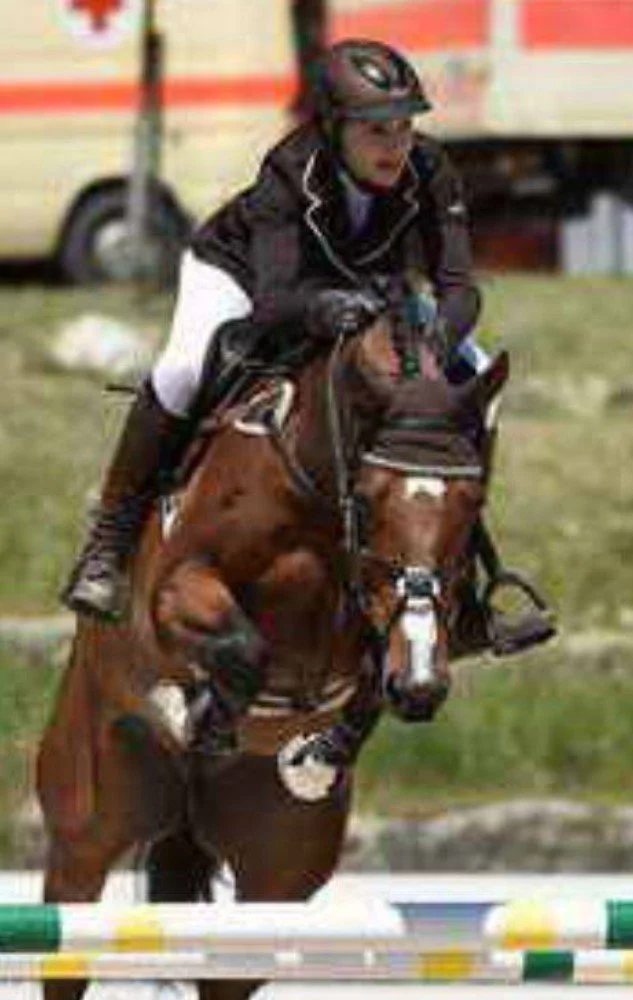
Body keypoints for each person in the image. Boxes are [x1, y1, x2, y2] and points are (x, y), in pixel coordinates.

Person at [62, 38, 553, 658]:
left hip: (368, 291)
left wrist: (436, 340)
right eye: (376, 130)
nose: (395, 146)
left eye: (404, 127)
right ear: (333, 127)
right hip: (242, 278)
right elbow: (275, 300)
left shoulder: (432, 170)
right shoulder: (290, 172)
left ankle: (470, 584)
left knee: (476, 381)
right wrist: (322, 309)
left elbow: (459, 288)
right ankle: (110, 540)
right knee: (184, 369)